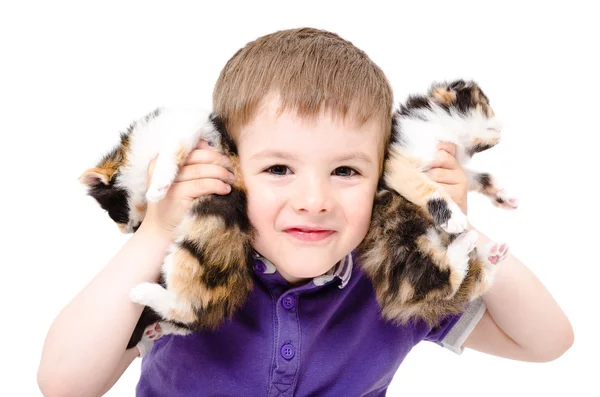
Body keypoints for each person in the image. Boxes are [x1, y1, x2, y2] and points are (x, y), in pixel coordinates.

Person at [37, 27, 573, 397]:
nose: (314, 200)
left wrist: (458, 229)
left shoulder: (394, 282)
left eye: (346, 172)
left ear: (386, 180)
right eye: (278, 169)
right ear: (229, 169)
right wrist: (156, 233)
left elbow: (547, 342)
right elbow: (64, 383)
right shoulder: (184, 266)